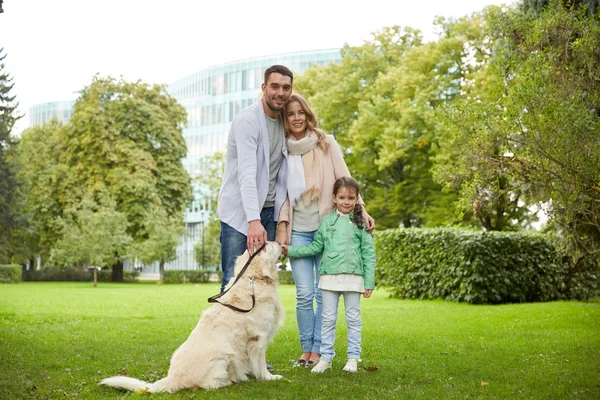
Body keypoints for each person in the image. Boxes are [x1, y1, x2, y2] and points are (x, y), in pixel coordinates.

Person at [276, 94, 374, 368]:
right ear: (285, 119)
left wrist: (362, 208)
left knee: (322, 293)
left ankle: (319, 352)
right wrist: (283, 226)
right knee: (304, 293)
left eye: (301, 113)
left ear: (308, 115)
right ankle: (306, 349)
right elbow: (281, 192)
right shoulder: (283, 149)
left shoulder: (325, 142)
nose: (296, 118)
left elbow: (345, 177)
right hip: (298, 229)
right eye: (290, 114)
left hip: (326, 227)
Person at [282, 176, 375, 373]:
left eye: (351, 198)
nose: (346, 202)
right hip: (329, 278)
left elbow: (368, 253)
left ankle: (353, 358)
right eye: (342, 197)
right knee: (327, 319)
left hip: (353, 278)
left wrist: (369, 282)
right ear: (334, 198)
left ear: (357, 199)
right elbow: (315, 247)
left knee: (353, 319)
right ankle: (325, 357)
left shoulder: (360, 224)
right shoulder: (326, 222)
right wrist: (290, 251)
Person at [217, 65, 293, 293]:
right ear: (264, 87)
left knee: (263, 280)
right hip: (240, 213)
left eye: (286, 88)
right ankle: (226, 328)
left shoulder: (284, 122)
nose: (280, 92)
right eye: (275, 86)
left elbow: (285, 177)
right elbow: (247, 176)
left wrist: (282, 223)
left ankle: (254, 329)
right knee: (234, 279)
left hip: (269, 212)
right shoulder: (248, 121)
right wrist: (253, 221)